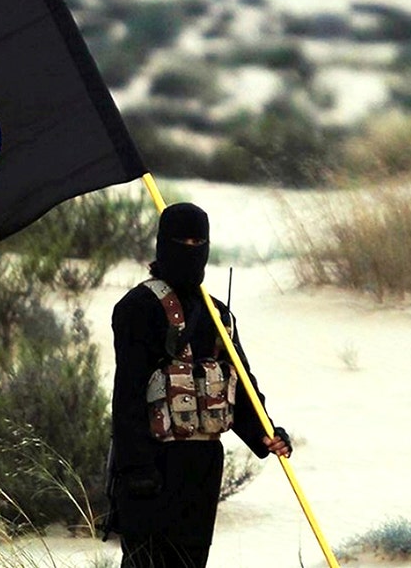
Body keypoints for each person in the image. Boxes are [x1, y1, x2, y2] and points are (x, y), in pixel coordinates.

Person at [106, 202, 291, 568]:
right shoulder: (137, 308)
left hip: (203, 466)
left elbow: (240, 386)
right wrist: (136, 468)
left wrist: (267, 434)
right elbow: (126, 396)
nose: (190, 250)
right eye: (181, 241)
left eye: (198, 242)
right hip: (152, 465)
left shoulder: (219, 314)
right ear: (162, 244)